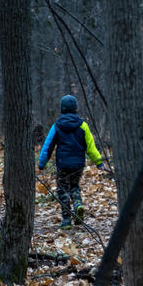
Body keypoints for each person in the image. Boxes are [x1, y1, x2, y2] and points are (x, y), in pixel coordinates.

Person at [37, 95, 104, 229]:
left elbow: (48, 145)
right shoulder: (83, 126)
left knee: (63, 189)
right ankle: (78, 205)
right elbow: (91, 147)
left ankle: (66, 220)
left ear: (62, 109)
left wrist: (42, 162)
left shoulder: (57, 126)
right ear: (76, 109)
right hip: (78, 164)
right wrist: (98, 162)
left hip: (63, 164)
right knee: (75, 186)